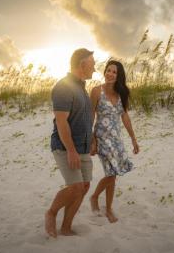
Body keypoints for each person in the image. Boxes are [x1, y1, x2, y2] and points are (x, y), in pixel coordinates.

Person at [45, 48, 95, 238]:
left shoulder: (82, 88)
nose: (95, 68)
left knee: (84, 187)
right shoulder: (63, 87)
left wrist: (92, 140)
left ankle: (66, 227)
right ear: (82, 65)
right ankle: (51, 212)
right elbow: (61, 121)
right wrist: (71, 151)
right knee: (75, 188)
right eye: (93, 64)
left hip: (83, 147)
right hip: (66, 147)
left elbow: (85, 118)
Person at [89, 59, 139, 223]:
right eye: (108, 70)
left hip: (116, 138)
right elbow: (90, 117)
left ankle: (107, 207)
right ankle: (95, 198)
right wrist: (92, 141)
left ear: (119, 76)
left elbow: (125, 117)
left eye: (114, 72)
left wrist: (133, 139)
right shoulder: (96, 91)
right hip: (102, 137)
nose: (110, 74)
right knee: (112, 173)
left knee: (113, 175)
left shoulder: (121, 94)